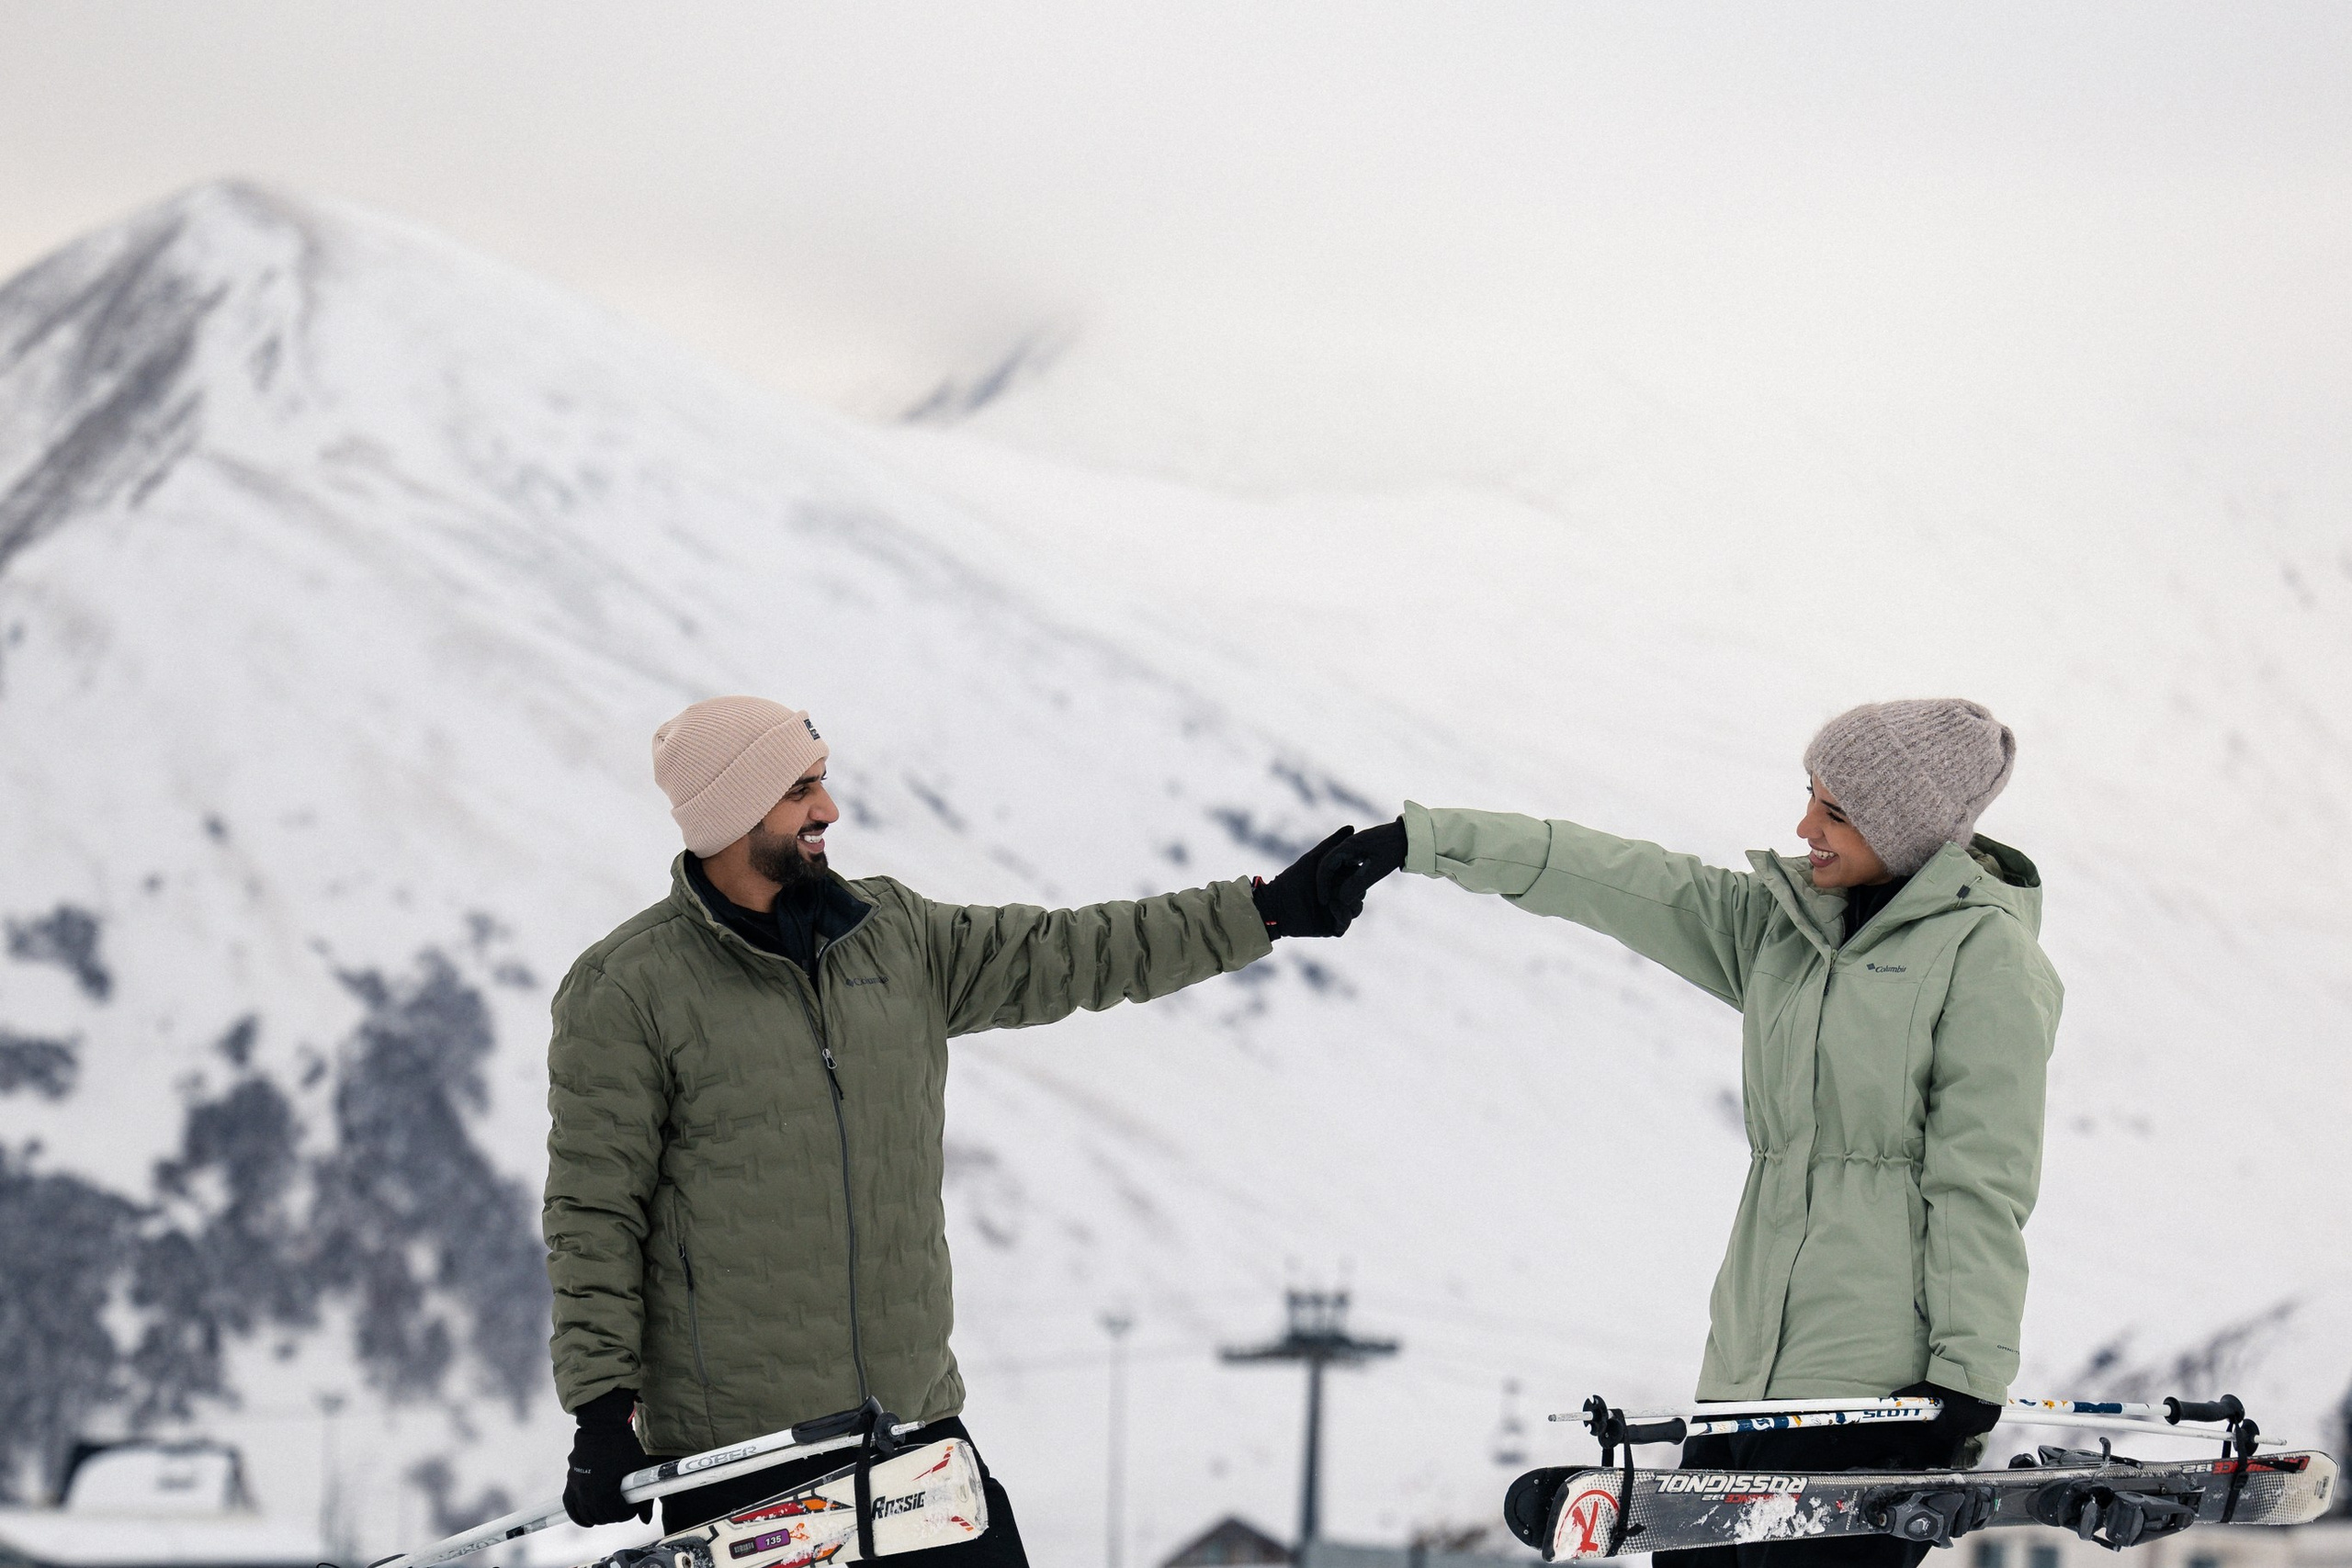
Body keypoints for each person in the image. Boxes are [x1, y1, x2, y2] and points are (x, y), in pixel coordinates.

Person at [545, 695, 1363, 1559]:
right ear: (730, 812)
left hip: (915, 1442)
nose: (828, 809)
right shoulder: (627, 989)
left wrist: (1270, 909)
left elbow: (1077, 950)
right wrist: (603, 1410)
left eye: (821, 783)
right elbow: (594, 1215)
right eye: (799, 790)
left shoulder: (896, 939)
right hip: (752, 1476)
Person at [1325, 699, 2063, 1568]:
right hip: (1739, 1391)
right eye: (1810, 796)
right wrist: (1421, 842)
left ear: (1901, 826)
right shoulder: (1782, 929)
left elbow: (1983, 1178)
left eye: (1835, 810)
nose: (1804, 826)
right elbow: (1613, 876)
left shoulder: (1991, 959)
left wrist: (1965, 1385)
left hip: (1873, 1405)